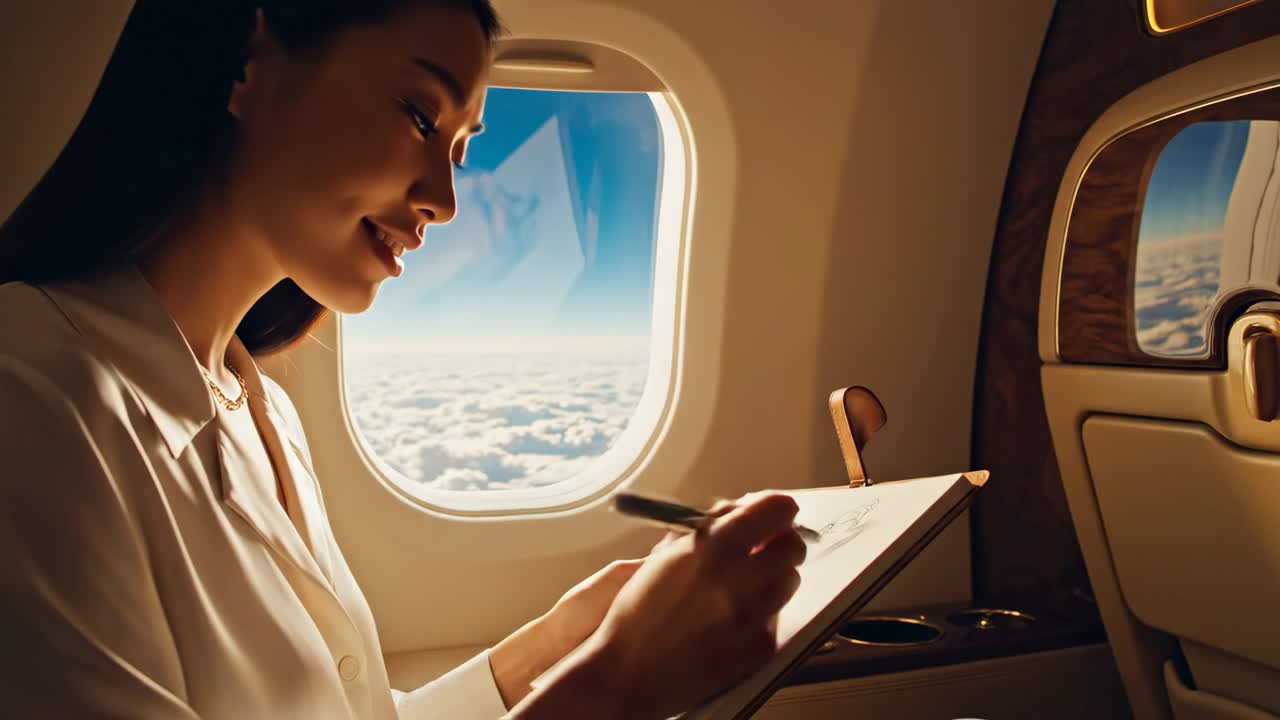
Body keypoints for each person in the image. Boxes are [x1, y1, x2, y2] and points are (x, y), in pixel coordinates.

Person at [0, 1, 807, 718]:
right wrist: (617, 683)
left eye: (458, 150)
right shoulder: (31, 395)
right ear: (252, 60)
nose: (444, 201)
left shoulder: (258, 409)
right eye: (421, 118)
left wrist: (547, 649)